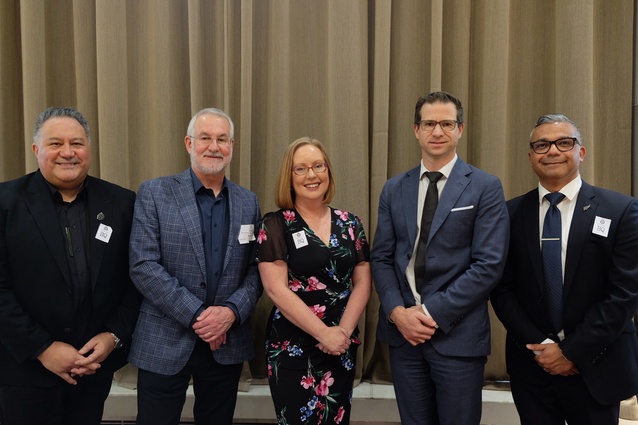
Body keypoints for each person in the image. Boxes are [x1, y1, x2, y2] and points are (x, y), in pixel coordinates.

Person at [370, 91, 509, 425]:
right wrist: (397, 313)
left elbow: (488, 265)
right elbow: (382, 258)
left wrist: (430, 312)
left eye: (446, 123)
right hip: (404, 337)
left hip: (457, 337)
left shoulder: (485, 187)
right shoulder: (393, 188)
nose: (437, 131)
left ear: (460, 129)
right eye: (429, 123)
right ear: (416, 130)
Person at [491, 114, 638, 424]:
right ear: (531, 156)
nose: (553, 151)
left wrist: (571, 351)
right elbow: (502, 289)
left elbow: (623, 294)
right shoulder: (509, 213)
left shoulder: (621, 210)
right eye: (542, 145)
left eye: (564, 143)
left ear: (580, 152)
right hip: (533, 367)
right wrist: (545, 349)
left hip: (598, 363)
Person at [0, 107, 140, 425]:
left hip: (94, 369)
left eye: (76, 143)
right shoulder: (5, 203)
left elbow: (136, 280)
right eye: (55, 144)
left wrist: (113, 336)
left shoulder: (122, 203)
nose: (67, 153)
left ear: (88, 149)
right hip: (24, 370)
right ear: (37, 150)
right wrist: (43, 348)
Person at [128, 107, 262, 425]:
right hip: (164, 339)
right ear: (189, 143)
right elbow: (143, 264)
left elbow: (258, 269)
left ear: (232, 146)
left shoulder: (248, 201)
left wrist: (229, 312)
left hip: (226, 341)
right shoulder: (154, 192)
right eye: (205, 138)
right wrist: (200, 316)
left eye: (222, 139)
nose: (213, 146)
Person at [256, 137, 371, 425]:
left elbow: (364, 282)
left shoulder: (351, 223)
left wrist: (341, 334)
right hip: (293, 348)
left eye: (318, 166)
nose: (312, 175)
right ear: (289, 176)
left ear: (328, 172)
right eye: (301, 169)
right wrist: (324, 333)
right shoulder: (275, 224)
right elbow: (275, 289)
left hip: (341, 347)